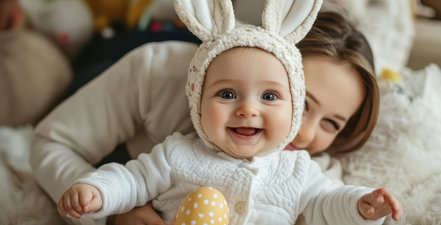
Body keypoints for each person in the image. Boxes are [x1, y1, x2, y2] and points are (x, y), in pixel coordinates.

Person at [30, 2, 381, 225]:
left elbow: (330, 201)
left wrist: (363, 208)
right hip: (119, 54)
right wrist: (113, 213)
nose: (304, 134)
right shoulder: (156, 72)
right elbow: (51, 142)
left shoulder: (306, 166)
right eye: (301, 102)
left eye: (331, 123)